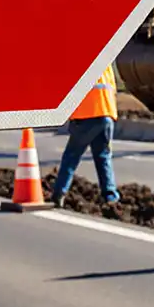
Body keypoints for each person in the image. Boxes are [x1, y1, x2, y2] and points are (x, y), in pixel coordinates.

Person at [51, 64, 120, 208]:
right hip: (106, 113)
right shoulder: (105, 63)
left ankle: (59, 193)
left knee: (71, 155)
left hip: (87, 115)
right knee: (103, 156)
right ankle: (110, 196)